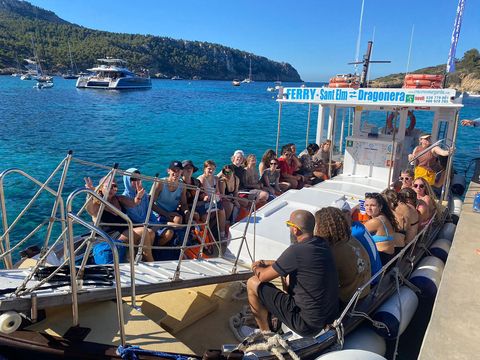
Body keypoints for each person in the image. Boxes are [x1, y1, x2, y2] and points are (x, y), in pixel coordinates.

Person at [246, 210, 338, 337]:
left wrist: (256, 266)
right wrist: (268, 262)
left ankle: (266, 334)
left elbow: (263, 276)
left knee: (252, 282)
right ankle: (276, 318)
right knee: (287, 276)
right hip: (327, 317)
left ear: (296, 230)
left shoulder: (295, 251)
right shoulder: (322, 243)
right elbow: (296, 264)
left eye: (289, 224)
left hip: (306, 324)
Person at [85, 175, 155, 262]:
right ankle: (150, 261)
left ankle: (138, 258)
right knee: (143, 231)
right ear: (100, 188)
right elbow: (89, 209)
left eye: (114, 186)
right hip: (110, 237)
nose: (112, 188)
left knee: (151, 232)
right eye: (109, 186)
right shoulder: (97, 204)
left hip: (125, 232)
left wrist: (139, 195)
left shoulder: (119, 199)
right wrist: (90, 194)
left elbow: (134, 203)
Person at [314, 207, 371, 304]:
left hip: (349, 301)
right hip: (364, 292)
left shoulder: (332, 251)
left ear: (322, 227)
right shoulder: (351, 239)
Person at [122, 168, 173, 246]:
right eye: (133, 179)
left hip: (150, 223)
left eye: (138, 178)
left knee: (172, 230)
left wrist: (156, 223)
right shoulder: (125, 198)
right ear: (127, 180)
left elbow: (149, 211)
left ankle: (154, 247)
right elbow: (136, 218)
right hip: (139, 226)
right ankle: (152, 249)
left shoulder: (144, 194)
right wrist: (152, 226)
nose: (136, 181)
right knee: (168, 232)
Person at [363, 192, 399, 265]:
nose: (369, 208)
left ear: (380, 206)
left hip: (382, 259)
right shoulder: (384, 217)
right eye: (366, 205)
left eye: (373, 205)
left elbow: (356, 233)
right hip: (389, 257)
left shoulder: (375, 221)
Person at [198, 159, 227, 240]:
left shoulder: (215, 179)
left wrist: (219, 196)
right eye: (209, 168)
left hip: (214, 201)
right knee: (207, 216)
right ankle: (208, 237)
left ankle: (222, 233)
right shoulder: (202, 179)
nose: (211, 170)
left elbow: (217, 191)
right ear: (204, 169)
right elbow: (203, 195)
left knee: (222, 210)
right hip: (204, 202)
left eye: (213, 169)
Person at [153, 161, 189, 226]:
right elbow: (151, 204)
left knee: (194, 216)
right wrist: (166, 214)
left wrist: (187, 212)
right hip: (159, 213)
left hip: (173, 212)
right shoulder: (160, 183)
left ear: (182, 172)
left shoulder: (183, 186)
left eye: (178, 170)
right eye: (174, 170)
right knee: (178, 221)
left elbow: (184, 204)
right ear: (168, 171)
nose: (176, 172)